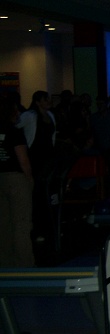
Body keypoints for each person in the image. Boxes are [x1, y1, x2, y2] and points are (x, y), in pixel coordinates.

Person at [16, 90, 57, 243]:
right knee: (37, 195)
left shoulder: (51, 116)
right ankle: (37, 229)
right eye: (45, 99)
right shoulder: (29, 116)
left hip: (48, 160)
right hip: (35, 159)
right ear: (38, 101)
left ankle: (48, 229)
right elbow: (15, 126)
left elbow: (52, 138)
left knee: (48, 195)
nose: (48, 101)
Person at [0, 95, 34, 267]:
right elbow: (23, 161)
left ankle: (6, 264)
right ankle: (25, 265)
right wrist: (30, 180)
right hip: (16, 178)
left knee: (4, 224)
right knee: (21, 223)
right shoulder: (14, 131)